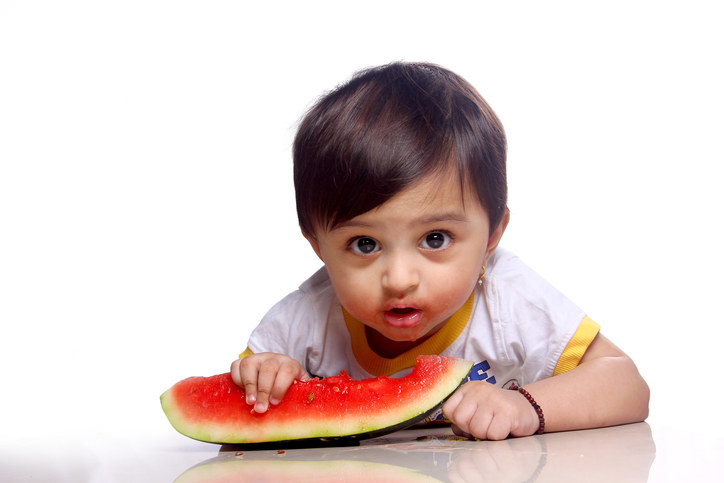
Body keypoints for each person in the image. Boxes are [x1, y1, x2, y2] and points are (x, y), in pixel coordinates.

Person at [230, 62, 649, 440]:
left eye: (435, 239)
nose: (399, 278)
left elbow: (626, 383)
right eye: (364, 244)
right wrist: (268, 379)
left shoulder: (509, 300)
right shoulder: (305, 320)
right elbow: (242, 397)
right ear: (317, 244)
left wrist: (528, 406)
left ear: (491, 238)